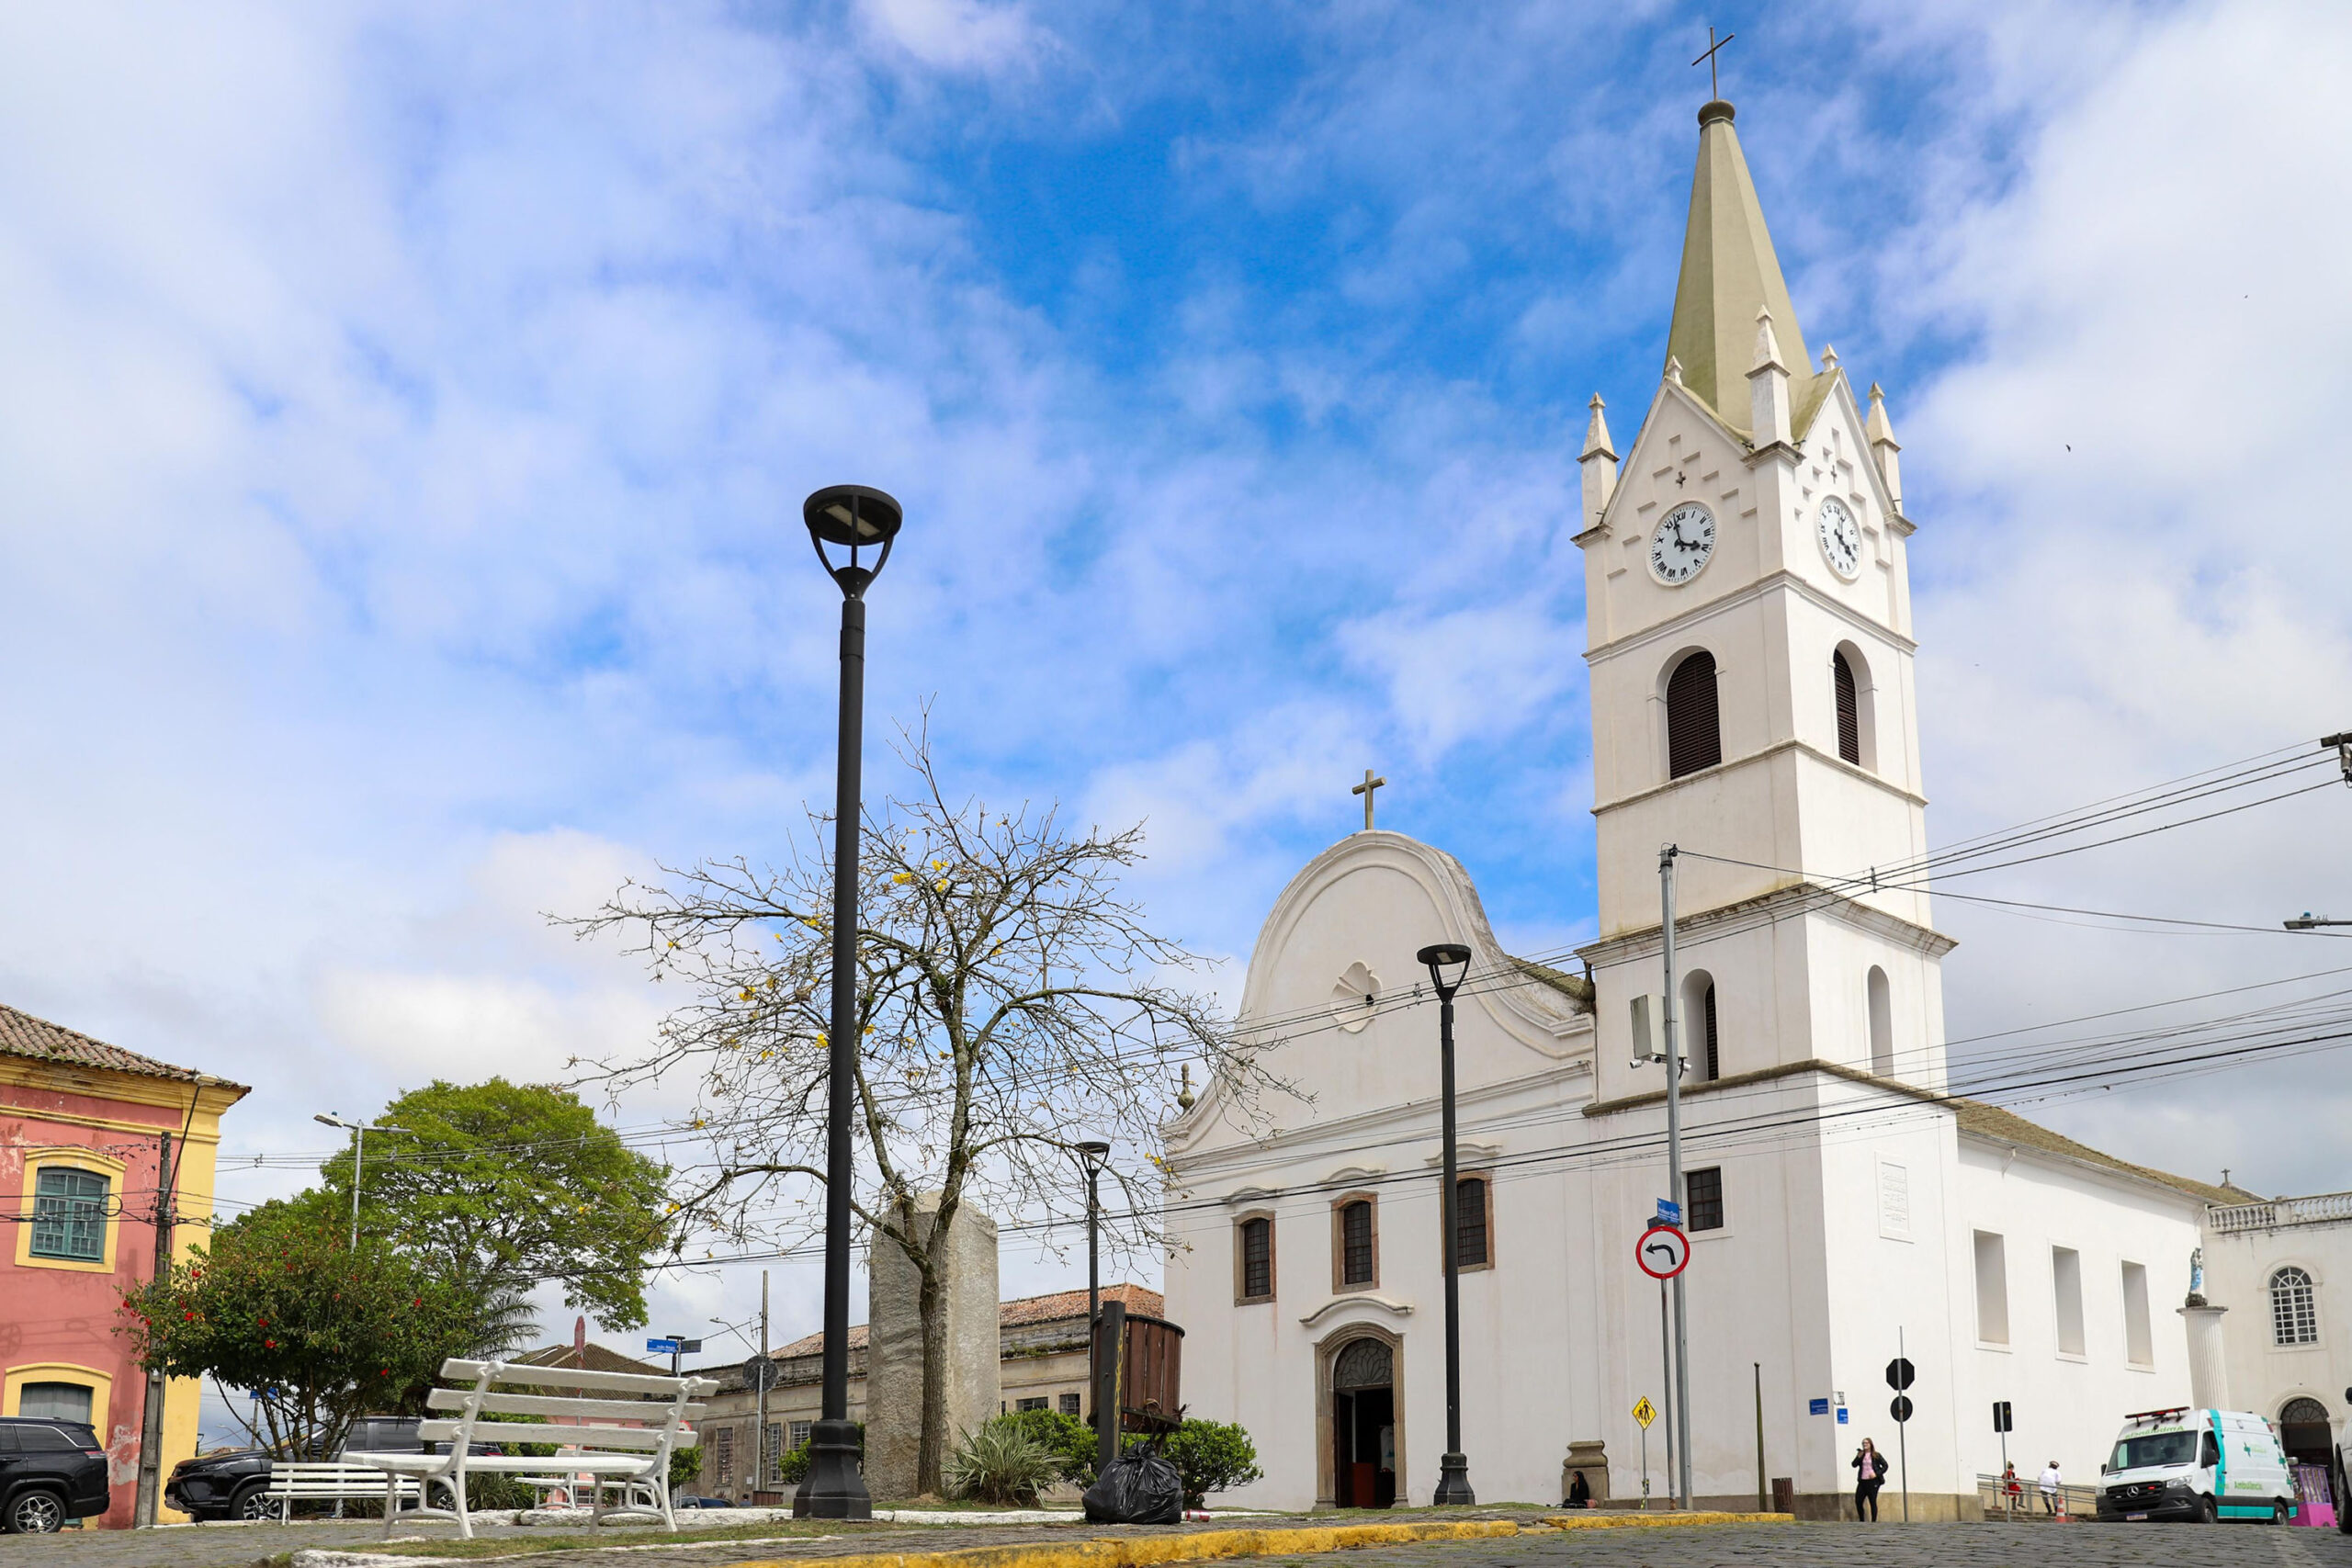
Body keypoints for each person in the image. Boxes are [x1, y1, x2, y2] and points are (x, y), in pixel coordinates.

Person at [1851, 1438, 1888, 1521]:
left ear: (1871, 1444)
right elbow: (1853, 1465)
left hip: (1873, 1481)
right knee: (1858, 1501)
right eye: (1863, 1443)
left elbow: (1885, 1466)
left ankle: (1873, 1521)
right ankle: (1861, 1520)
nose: (1865, 1444)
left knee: (1872, 1501)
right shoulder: (1861, 1455)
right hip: (1862, 1481)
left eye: (1866, 1443)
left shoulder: (1876, 1455)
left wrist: (1876, 1474)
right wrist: (1858, 1457)